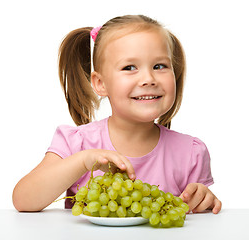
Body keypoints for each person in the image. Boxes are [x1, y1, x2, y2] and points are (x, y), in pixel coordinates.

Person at [12, 15, 222, 214]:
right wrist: (83, 162)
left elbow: (196, 220)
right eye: (130, 67)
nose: (149, 78)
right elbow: (23, 200)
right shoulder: (77, 144)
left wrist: (203, 200)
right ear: (101, 84)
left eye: (160, 66)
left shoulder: (191, 153)